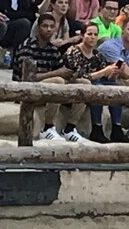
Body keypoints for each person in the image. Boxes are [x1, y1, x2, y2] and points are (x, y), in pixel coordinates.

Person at [12, 13, 88, 142]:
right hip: (25, 89)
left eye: (52, 27)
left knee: (84, 83)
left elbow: (61, 70)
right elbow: (28, 78)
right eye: (45, 26)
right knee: (57, 81)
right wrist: (57, 73)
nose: (48, 29)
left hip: (46, 87)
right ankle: (47, 127)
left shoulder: (53, 50)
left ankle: (70, 128)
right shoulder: (27, 47)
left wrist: (71, 75)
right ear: (38, 28)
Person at [64, 22, 111, 142]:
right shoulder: (73, 51)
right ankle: (70, 128)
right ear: (82, 35)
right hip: (71, 84)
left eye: (95, 34)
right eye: (89, 34)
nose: (92, 37)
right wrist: (103, 72)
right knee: (87, 85)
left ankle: (116, 127)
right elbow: (79, 75)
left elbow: (104, 74)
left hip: (93, 84)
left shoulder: (97, 54)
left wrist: (112, 72)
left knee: (113, 85)